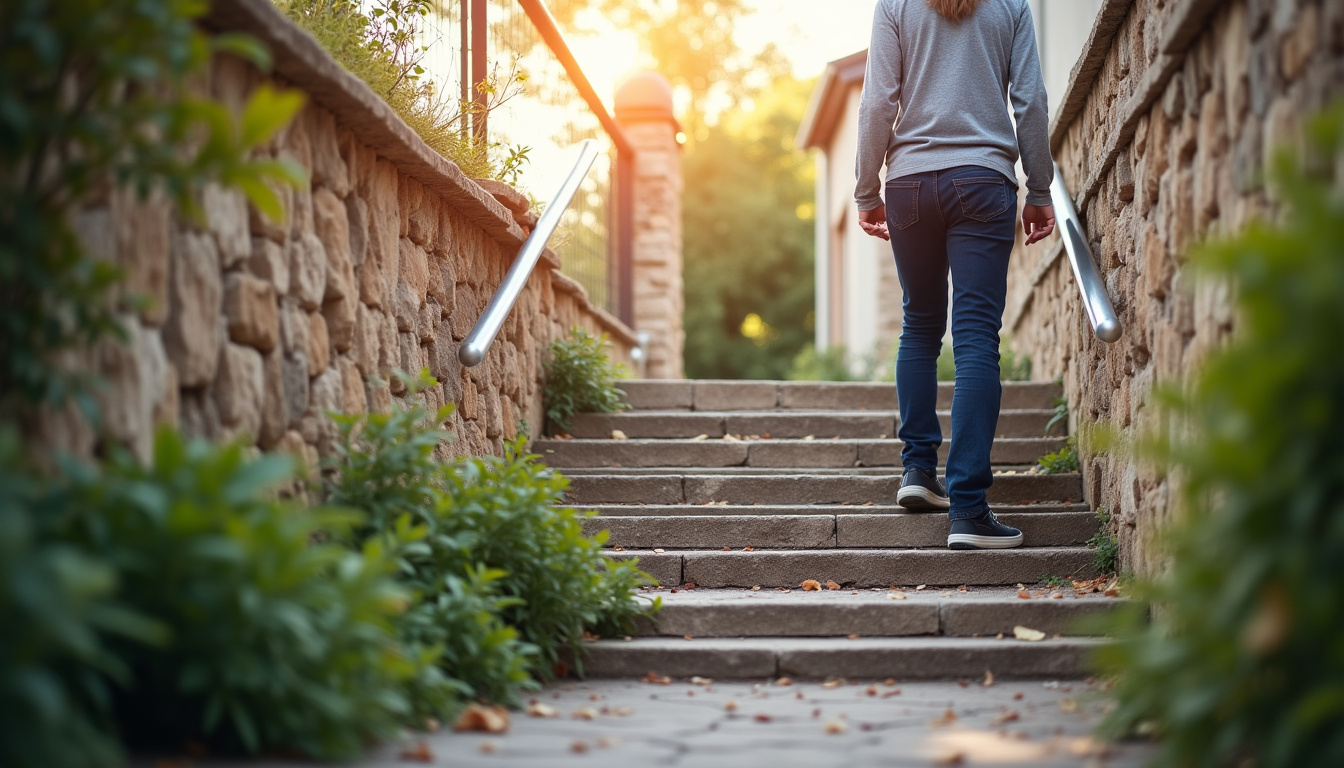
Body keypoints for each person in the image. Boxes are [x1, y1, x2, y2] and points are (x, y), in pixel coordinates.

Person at [854, 0, 1056, 550]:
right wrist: (1040, 189)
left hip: (910, 185)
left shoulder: (895, 5)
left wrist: (867, 191)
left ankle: (918, 470)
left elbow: (878, 100)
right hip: (983, 181)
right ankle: (967, 509)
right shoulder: (1011, 6)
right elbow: (1030, 100)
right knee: (975, 339)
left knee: (919, 326)